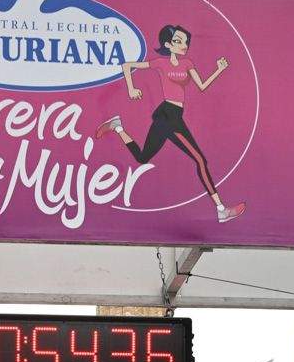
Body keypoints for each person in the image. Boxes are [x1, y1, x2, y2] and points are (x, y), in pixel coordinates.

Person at [95, 23, 245, 223]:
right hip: (168, 115)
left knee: (142, 158)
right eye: (178, 41)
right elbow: (127, 66)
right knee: (200, 160)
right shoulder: (160, 63)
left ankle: (118, 126)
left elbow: (202, 86)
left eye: (185, 42)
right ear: (168, 44)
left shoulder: (187, 63)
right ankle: (221, 210)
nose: (184, 45)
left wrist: (219, 70)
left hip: (173, 116)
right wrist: (131, 88)